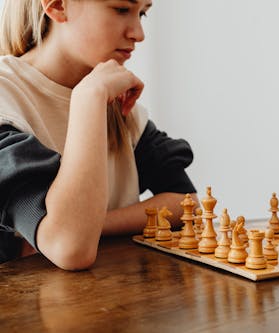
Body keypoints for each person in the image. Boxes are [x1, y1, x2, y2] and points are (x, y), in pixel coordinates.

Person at [0, 0, 198, 268]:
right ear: (58, 6)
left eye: (142, 14)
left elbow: (186, 203)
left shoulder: (120, 106)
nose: (139, 34)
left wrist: (96, 223)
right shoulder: (7, 101)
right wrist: (89, 97)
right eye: (121, 9)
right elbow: (71, 248)